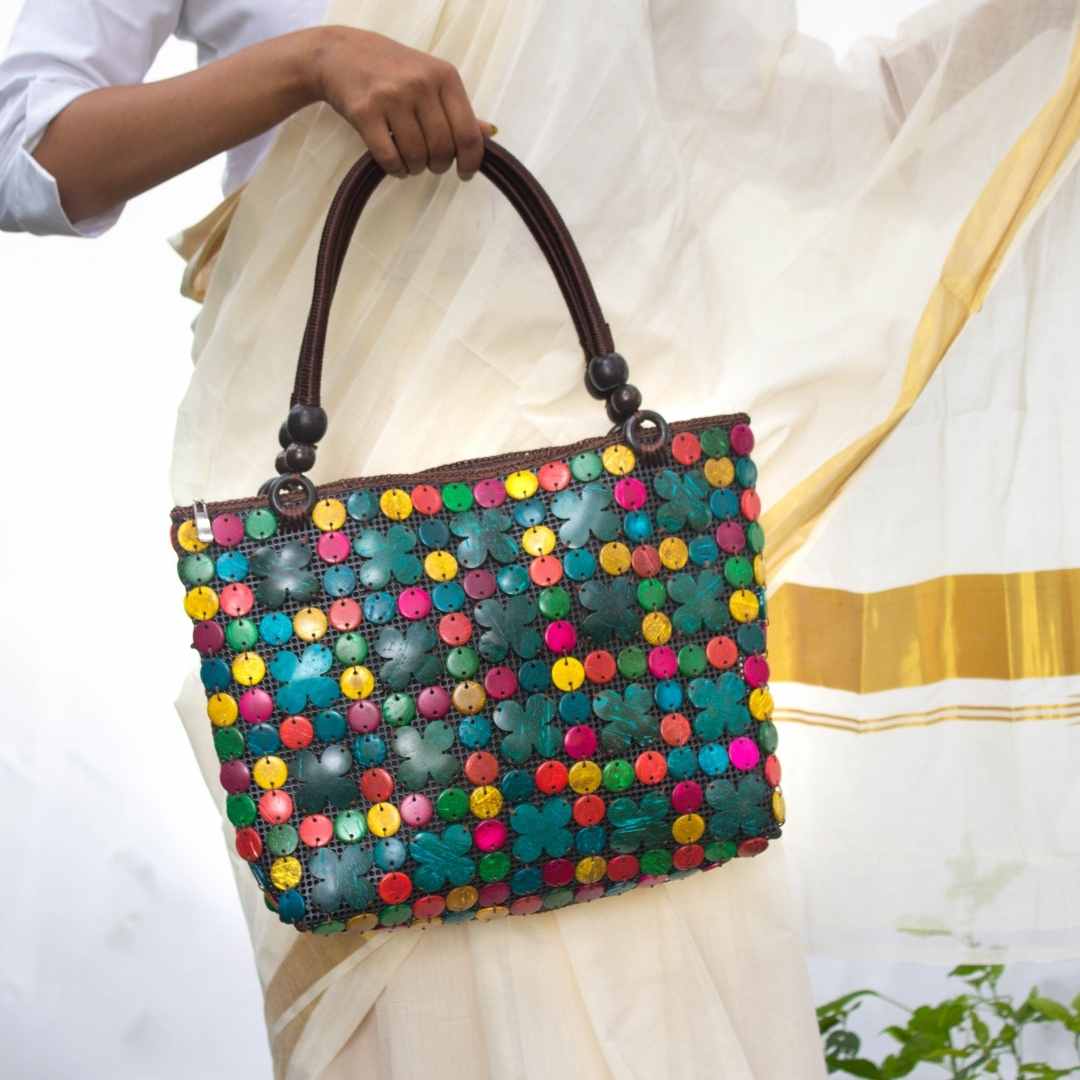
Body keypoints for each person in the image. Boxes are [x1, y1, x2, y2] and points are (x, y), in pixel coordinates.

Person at [8, 1, 1075, 1078]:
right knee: (405, 944)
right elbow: (32, 151)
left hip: (606, 545)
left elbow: (784, 117)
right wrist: (309, 64)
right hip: (347, 532)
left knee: (653, 952)